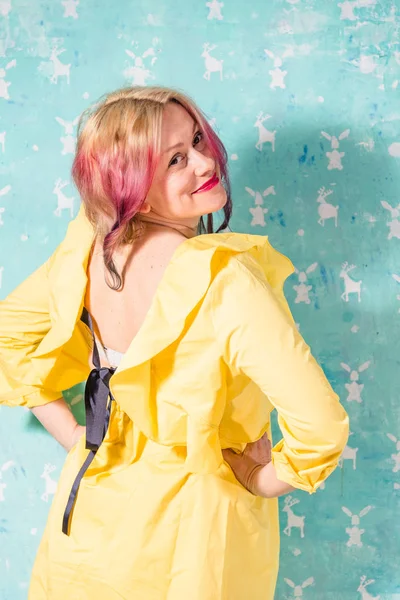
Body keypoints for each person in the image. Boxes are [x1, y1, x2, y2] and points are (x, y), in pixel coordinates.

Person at [0, 85, 349, 600]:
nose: (205, 163)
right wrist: (263, 480)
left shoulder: (89, 248)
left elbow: (9, 337)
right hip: (194, 537)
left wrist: (76, 435)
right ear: (130, 184)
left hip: (90, 518)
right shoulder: (223, 278)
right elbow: (320, 426)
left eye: (198, 142)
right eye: (175, 160)